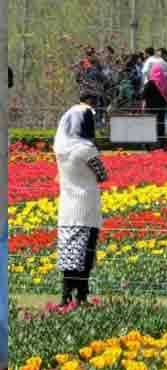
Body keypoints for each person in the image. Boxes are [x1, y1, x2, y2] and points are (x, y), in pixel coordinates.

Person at [54, 94, 108, 306]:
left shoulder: (60, 149)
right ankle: (82, 296)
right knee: (85, 254)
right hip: (86, 207)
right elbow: (102, 175)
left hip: (67, 207)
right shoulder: (86, 150)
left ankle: (65, 296)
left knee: (69, 254)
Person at [142, 64, 167, 143]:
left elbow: (143, 95)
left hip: (150, 109)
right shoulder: (164, 82)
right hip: (161, 108)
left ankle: (149, 144)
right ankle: (161, 143)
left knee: (149, 126)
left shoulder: (149, 84)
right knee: (160, 125)